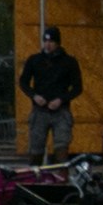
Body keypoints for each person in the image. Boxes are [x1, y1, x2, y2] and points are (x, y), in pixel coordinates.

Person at [18, 25, 81, 161]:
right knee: (36, 148)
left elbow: (77, 88)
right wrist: (34, 96)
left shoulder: (69, 62)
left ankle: (62, 179)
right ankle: (35, 179)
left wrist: (61, 100)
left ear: (58, 43)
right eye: (45, 41)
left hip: (61, 111)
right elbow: (23, 82)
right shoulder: (34, 60)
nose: (48, 45)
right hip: (39, 110)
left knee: (62, 147)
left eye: (51, 42)